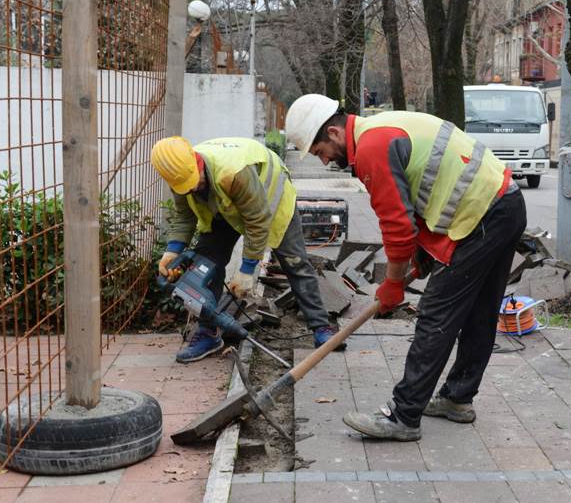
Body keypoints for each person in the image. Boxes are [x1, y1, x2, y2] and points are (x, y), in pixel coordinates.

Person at [285, 94, 527, 441]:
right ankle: (457, 399)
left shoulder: (371, 147)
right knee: (478, 312)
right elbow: (418, 195)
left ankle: (403, 415)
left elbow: (397, 227)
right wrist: (421, 256)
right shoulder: (382, 128)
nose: (323, 162)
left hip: (482, 217)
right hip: (504, 203)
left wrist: (393, 284)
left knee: (436, 314)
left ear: (335, 133)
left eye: (320, 152)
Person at [151, 136, 343, 363]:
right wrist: (172, 250)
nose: (192, 187)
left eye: (194, 181)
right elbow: (184, 216)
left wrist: (247, 270)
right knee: (205, 263)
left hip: (269, 203)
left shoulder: (233, 172)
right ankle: (208, 332)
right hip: (224, 208)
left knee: (295, 263)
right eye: (186, 186)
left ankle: (322, 328)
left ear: (196, 161)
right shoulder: (179, 176)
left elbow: (257, 220)